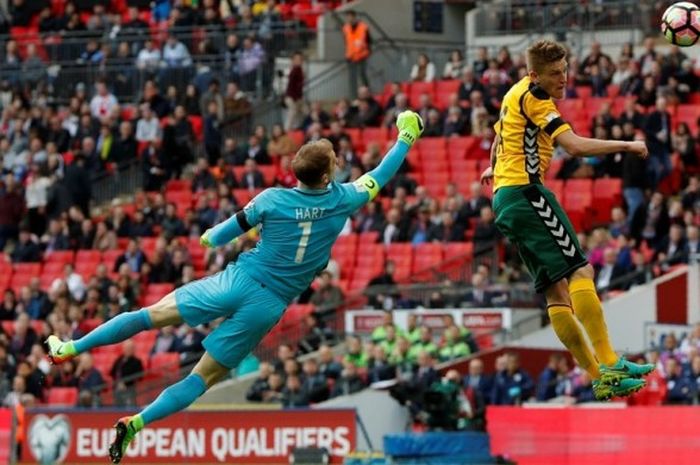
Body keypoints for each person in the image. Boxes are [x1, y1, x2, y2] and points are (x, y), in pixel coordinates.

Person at [46, 111, 424, 463]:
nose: (338, 161)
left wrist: (211, 237)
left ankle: (69, 347)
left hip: (238, 279)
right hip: (269, 304)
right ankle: (138, 423)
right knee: (202, 378)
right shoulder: (346, 198)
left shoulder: (273, 198)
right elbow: (383, 171)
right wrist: (406, 136)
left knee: (150, 315)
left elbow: (227, 230)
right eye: (334, 159)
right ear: (327, 176)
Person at [479, 40, 652, 401]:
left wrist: (493, 166)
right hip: (528, 195)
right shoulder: (537, 100)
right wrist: (627, 145)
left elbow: (498, 134)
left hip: (505, 200)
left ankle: (597, 376)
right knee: (580, 271)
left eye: (565, 70)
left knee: (555, 293)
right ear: (534, 75)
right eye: (555, 73)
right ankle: (610, 362)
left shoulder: (515, 92)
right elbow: (572, 146)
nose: (563, 78)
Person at [342, 10, 371, 98]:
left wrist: (366, 50)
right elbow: (346, 42)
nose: (349, 19)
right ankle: (353, 97)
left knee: (362, 75)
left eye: (351, 16)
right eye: (347, 17)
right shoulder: (345, 28)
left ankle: (366, 95)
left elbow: (369, 41)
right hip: (351, 57)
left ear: (354, 17)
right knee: (352, 78)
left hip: (362, 55)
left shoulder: (363, 27)